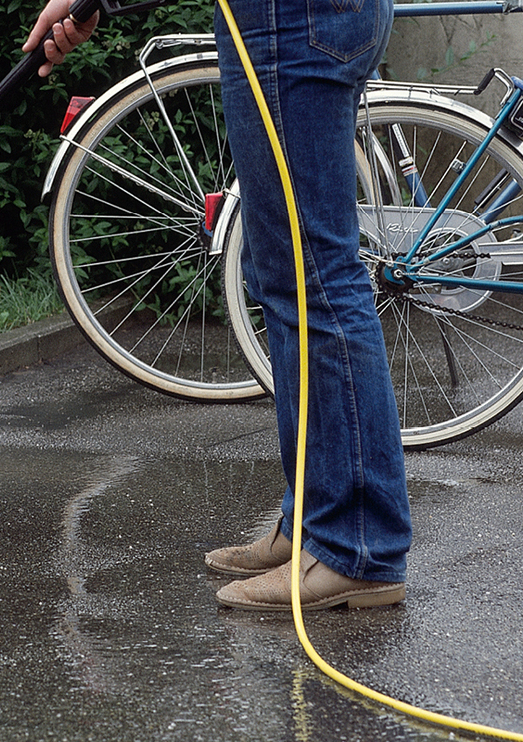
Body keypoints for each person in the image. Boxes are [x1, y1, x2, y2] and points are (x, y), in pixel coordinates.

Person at [27, 0, 412, 610]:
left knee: (314, 276)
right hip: (290, 18)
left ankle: (357, 548)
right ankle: (315, 523)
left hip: (294, 18)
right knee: (281, 272)